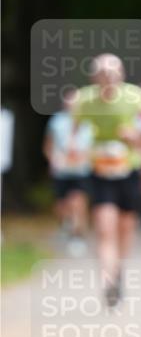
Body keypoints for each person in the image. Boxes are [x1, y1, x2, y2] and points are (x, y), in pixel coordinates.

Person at [72, 54, 141, 305]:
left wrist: (134, 136)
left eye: (112, 72)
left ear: (121, 74)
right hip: (100, 172)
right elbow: (75, 132)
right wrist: (77, 149)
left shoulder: (136, 98)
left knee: (125, 228)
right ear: (94, 77)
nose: (108, 77)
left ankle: (119, 272)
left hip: (129, 170)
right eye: (102, 73)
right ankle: (108, 281)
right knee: (105, 229)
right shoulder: (84, 100)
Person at [43, 90, 93, 256]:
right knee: (62, 205)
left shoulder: (89, 120)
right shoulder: (57, 121)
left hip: (81, 169)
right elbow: (48, 144)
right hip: (62, 169)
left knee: (78, 202)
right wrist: (52, 160)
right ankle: (66, 225)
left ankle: (77, 236)